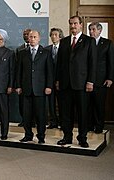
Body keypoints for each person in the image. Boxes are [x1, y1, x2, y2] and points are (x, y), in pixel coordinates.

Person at [56, 15, 97, 148]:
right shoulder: (64, 41)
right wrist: (57, 80)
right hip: (65, 84)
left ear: (81, 25)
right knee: (66, 113)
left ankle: (82, 138)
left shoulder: (89, 41)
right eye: (71, 24)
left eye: (75, 24)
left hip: (82, 84)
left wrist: (90, 81)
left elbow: (93, 63)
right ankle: (67, 137)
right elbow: (59, 64)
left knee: (82, 113)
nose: (72, 26)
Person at [16, 30, 53, 144]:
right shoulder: (22, 53)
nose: (31, 39)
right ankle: (28, 135)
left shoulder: (46, 52)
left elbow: (49, 71)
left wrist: (49, 86)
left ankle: (41, 136)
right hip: (26, 89)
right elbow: (19, 71)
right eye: (30, 37)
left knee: (40, 115)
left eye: (34, 37)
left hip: (40, 89)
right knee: (26, 115)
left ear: (39, 38)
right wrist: (18, 86)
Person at [88, 22, 114, 133]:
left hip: (101, 80)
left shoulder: (107, 43)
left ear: (99, 30)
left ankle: (99, 126)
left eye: (93, 29)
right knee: (88, 106)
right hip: (87, 80)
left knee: (99, 105)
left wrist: (110, 78)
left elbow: (111, 62)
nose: (91, 32)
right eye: (90, 29)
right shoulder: (86, 42)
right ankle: (89, 126)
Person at [45, 28, 64, 129]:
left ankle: (62, 122)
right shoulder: (47, 49)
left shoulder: (64, 48)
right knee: (51, 103)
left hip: (61, 80)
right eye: (52, 35)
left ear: (60, 36)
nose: (53, 37)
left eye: (55, 35)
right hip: (50, 81)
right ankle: (53, 122)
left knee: (61, 102)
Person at [16, 28, 32, 127]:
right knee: (23, 104)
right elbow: (18, 68)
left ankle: (33, 121)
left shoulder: (41, 49)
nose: (25, 36)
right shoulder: (19, 50)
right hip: (23, 81)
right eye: (24, 34)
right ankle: (24, 120)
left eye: (28, 34)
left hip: (35, 82)